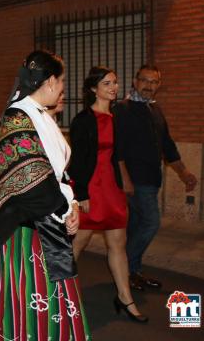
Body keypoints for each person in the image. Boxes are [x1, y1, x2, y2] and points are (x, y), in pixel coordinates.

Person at [0, 50, 89, 341]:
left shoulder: (40, 116)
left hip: (49, 222)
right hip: (24, 232)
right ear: (49, 81)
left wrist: (71, 206)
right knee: (28, 305)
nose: (62, 88)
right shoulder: (17, 117)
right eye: (61, 82)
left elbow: (56, 174)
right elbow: (33, 181)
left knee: (49, 308)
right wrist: (64, 209)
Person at [68, 67, 148, 323]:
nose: (113, 87)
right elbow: (78, 160)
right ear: (93, 88)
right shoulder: (83, 120)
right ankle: (56, 292)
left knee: (118, 244)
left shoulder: (116, 117)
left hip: (111, 189)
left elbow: (117, 156)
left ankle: (125, 298)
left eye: (114, 82)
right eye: (107, 83)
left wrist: (123, 184)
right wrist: (80, 194)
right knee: (77, 243)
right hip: (90, 188)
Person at [113, 65, 197, 291]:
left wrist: (184, 172)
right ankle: (123, 267)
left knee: (137, 225)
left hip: (152, 178)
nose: (149, 86)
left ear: (158, 85)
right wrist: (125, 179)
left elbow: (167, 144)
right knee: (151, 222)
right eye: (144, 80)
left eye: (154, 82)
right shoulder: (122, 109)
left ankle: (131, 273)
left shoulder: (155, 109)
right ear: (135, 81)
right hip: (135, 179)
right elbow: (117, 149)